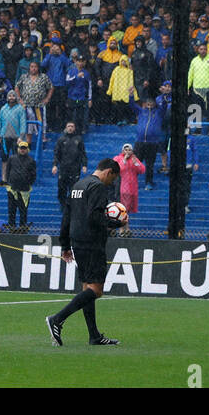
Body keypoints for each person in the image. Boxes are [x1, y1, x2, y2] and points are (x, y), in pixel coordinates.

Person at [47, 157, 125, 346]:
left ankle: (94, 336)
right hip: (92, 242)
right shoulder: (97, 187)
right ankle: (57, 319)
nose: (111, 183)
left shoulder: (78, 185)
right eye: (113, 179)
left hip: (78, 241)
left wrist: (65, 244)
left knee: (87, 288)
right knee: (96, 290)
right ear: (108, 172)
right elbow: (94, 216)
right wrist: (115, 223)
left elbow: (67, 216)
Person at [52, 119, 88, 213]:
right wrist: (55, 165)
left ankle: (72, 205)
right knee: (62, 188)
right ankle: (63, 204)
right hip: (64, 168)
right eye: (69, 126)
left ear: (74, 128)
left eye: (72, 126)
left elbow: (83, 153)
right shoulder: (61, 140)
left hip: (75, 169)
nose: (70, 128)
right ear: (66, 128)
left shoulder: (78, 139)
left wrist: (84, 165)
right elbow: (57, 154)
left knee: (74, 189)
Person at [3, 138, 36, 232]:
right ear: (18, 148)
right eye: (21, 148)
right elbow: (8, 171)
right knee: (11, 209)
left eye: (24, 148)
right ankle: (11, 226)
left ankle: (23, 226)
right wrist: (9, 182)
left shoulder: (31, 161)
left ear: (27, 149)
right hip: (12, 189)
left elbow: (33, 174)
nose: (22, 150)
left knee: (23, 210)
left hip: (24, 190)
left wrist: (28, 183)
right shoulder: (12, 158)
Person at [114, 142, 145, 217]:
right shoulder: (118, 158)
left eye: (129, 150)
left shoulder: (134, 159)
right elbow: (118, 169)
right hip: (121, 185)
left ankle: (126, 227)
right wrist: (124, 160)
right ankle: (122, 227)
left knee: (127, 209)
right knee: (123, 208)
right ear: (122, 151)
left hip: (132, 187)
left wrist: (136, 163)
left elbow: (142, 170)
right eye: (126, 150)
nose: (127, 152)